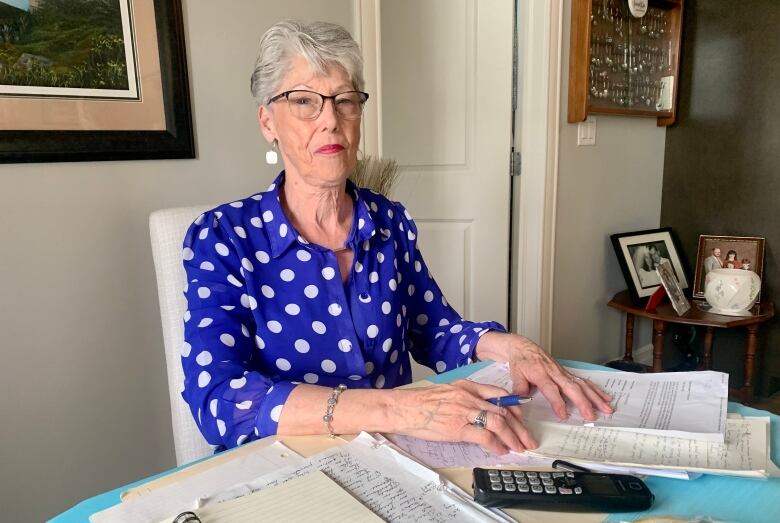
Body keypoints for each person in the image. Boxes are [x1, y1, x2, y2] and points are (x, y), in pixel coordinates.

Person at [180, 20, 612, 456]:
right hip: (287, 464)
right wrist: (397, 409)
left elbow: (434, 330)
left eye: (345, 101)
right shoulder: (224, 238)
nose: (331, 120)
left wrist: (513, 347)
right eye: (305, 102)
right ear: (267, 122)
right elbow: (218, 400)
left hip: (397, 456)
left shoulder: (387, 221)